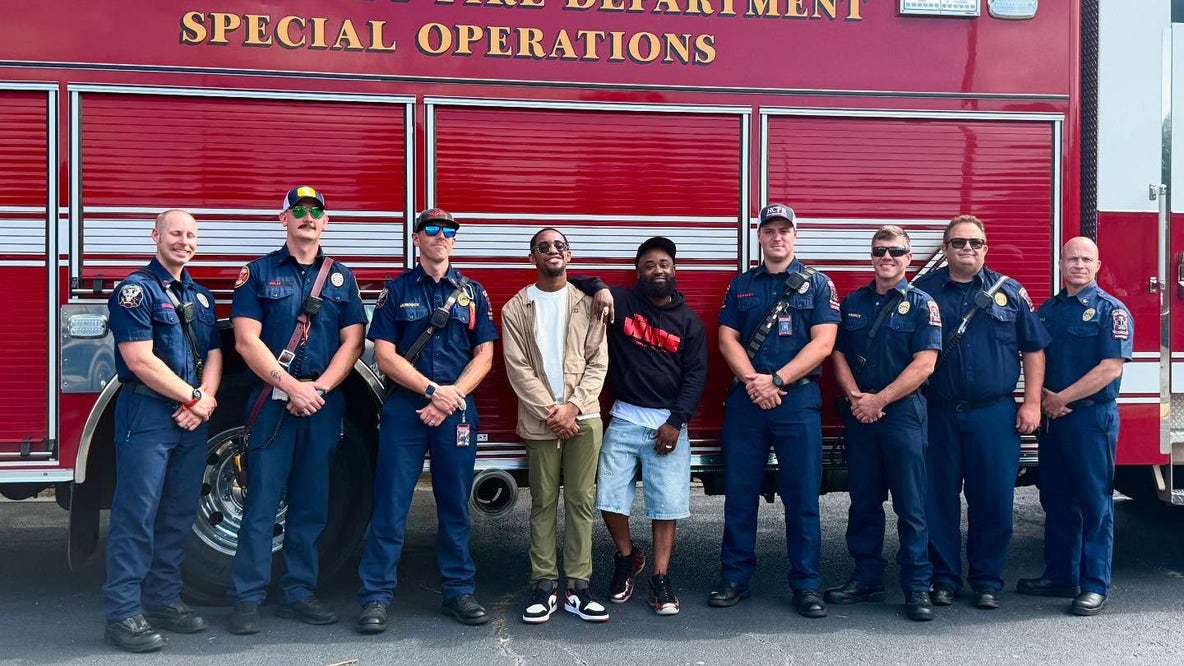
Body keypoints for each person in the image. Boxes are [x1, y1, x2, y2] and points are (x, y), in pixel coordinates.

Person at [229, 187, 367, 634]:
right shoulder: (257, 274)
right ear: (283, 219)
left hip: (322, 405)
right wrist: (291, 387)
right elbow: (245, 339)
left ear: (325, 223)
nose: (308, 218)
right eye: (300, 211)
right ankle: (247, 597)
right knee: (262, 501)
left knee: (311, 502)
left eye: (316, 212)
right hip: (272, 403)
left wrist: (320, 388)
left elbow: (354, 343)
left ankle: (298, 593)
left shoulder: (342, 278)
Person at [355, 208, 499, 633]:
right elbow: (384, 356)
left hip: (456, 407)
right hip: (407, 408)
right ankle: (376, 597)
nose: (442, 236)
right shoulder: (396, 290)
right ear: (416, 238)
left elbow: (485, 355)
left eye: (449, 230)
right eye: (432, 229)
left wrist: (451, 396)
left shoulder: (473, 293)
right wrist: (432, 391)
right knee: (391, 504)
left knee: (454, 504)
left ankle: (458, 590)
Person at [913, 215, 1050, 610]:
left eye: (975, 243)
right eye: (958, 243)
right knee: (937, 499)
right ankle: (943, 579)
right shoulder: (923, 291)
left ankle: (988, 580)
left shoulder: (1009, 292)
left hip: (994, 414)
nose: (967, 249)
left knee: (993, 500)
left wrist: (1033, 401)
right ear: (945, 248)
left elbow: (1033, 350)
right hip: (937, 412)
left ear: (986, 248)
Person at [710, 204, 840, 619]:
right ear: (760, 237)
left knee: (802, 497)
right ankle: (735, 578)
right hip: (749, 402)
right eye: (770, 230)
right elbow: (727, 339)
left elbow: (823, 343)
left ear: (795, 236)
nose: (778, 237)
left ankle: (806, 584)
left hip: (797, 401)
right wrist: (754, 382)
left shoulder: (818, 285)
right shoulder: (741, 286)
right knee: (740, 493)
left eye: (785, 230)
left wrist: (777, 380)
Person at [102, 209, 223, 652]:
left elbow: (213, 354)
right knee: (137, 514)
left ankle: (162, 600)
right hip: (148, 415)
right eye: (175, 232)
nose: (184, 241)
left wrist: (204, 399)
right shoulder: (136, 291)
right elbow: (139, 360)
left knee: (177, 512)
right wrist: (194, 398)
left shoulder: (201, 296)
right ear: (155, 236)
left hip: (190, 419)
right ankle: (122, 614)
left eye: (191, 235)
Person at [571, 236, 708, 616]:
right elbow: (576, 278)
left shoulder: (689, 323)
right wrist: (599, 288)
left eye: (664, 263)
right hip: (626, 416)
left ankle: (661, 578)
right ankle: (627, 556)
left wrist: (676, 422)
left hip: (667, 423)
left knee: (666, 506)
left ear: (675, 270)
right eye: (649, 265)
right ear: (638, 272)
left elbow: (696, 377)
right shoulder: (623, 301)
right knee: (609, 499)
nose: (657, 270)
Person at [828, 225, 942, 622]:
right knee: (863, 501)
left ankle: (916, 587)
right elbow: (836, 353)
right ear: (871, 256)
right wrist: (857, 398)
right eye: (880, 251)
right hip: (861, 413)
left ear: (909, 258)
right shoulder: (853, 302)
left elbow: (925, 364)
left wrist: (879, 400)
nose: (887, 257)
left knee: (911, 506)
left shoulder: (924, 304)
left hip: (902, 415)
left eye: (895, 251)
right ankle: (867, 578)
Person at [1017, 236, 1131, 616]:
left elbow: (1110, 368)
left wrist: (1060, 399)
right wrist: (1044, 398)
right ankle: (1060, 575)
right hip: (1055, 419)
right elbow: (1036, 357)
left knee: (1094, 502)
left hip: (1090, 419)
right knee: (1056, 498)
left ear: (1097, 265)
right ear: (1061, 264)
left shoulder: (1109, 311)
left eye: (1086, 259)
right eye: (1072, 259)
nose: (1078, 265)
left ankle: (1095, 584)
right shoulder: (1049, 310)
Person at [501, 228, 610, 624]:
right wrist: (554, 410)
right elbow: (517, 367)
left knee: (581, 502)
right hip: (541, 419)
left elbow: (598, 362)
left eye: (559, 246)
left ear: (570, 254)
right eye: (543, 247)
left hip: (585, 418)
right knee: (543, 504)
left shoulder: (589, 304)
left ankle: (579, 588)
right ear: (532, 257)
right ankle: (544, 585)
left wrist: (574, 407)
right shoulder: (515, 308)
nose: (552, 251)